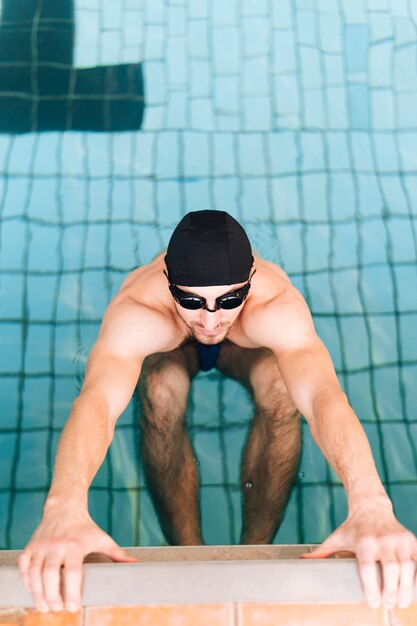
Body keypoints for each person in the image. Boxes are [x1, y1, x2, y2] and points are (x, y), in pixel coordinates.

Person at [20, 210, 416, 613]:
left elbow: (321, 396)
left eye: (229, 299)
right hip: (172, 346)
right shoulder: (139, 309)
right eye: (191, 300)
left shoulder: (274, 305)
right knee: (159, 390)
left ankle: (255, 554)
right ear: (169, 285)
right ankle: (188, 558)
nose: (211, 320)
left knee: (282, 390)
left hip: (246, 346)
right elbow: (98, 402)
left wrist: (370, 503)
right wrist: (64, 508)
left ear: (250, 282)